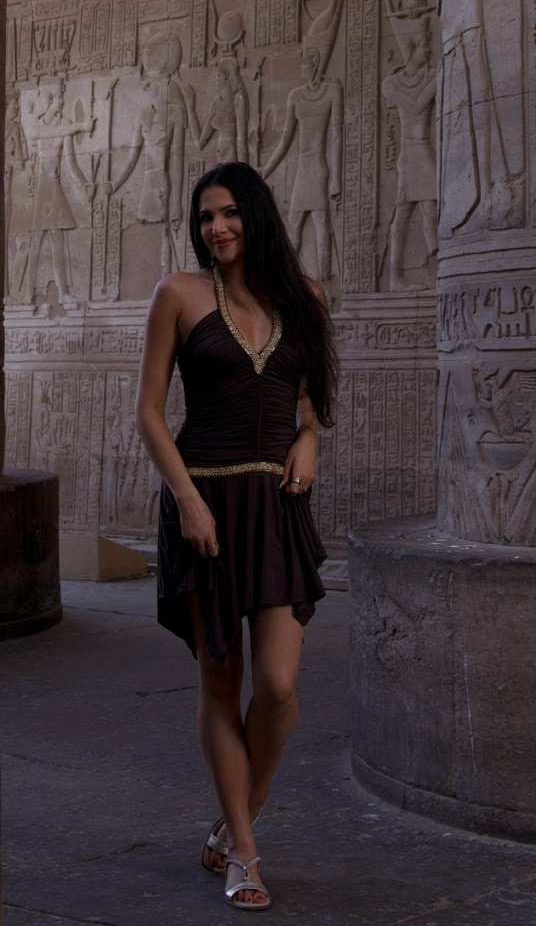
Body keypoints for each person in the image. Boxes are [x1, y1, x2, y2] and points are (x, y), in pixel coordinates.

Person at [136, 161, 335, 910]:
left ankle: (230, 820)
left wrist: (309, 438)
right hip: (205, 503)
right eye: (203, 218)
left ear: (254, 215)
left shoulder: (305, 298)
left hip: (275, 508)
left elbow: (308, 395)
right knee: (220, 676)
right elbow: (149, 411)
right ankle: (245, 854)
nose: (214, 228)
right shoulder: (178, 294)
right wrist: (186, 499)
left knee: (278, 686)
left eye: (226, 214)